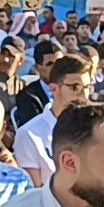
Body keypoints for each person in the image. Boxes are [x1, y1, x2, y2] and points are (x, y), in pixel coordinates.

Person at [15, 54, 90, 187]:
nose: (83, 96)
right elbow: (34, 191)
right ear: (54, 88)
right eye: (75, 87)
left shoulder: (94, 128)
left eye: (87, 88)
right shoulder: (29, 134)